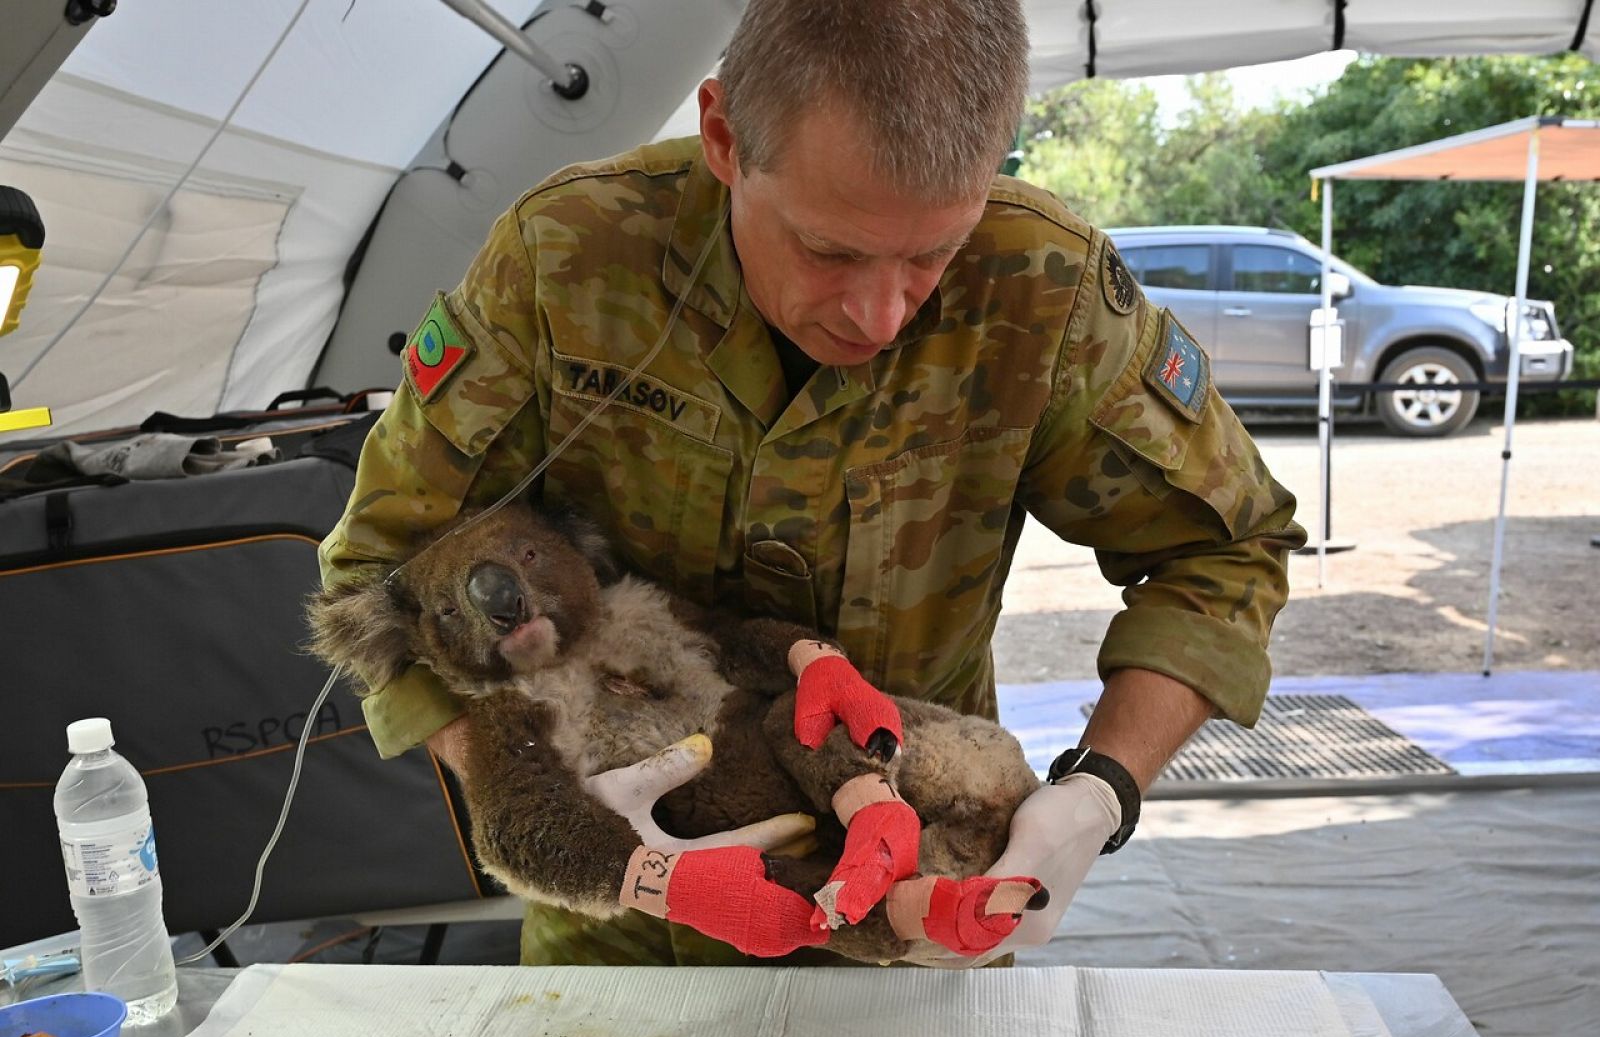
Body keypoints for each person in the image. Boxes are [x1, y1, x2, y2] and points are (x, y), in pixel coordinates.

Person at [319, 0, 1305, 967]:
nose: (877, 316)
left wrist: (1100, 789)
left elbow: (1224, 550)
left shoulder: (1040, 287)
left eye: (930, 256)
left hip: (919, 895)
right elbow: (378, 568)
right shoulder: (566, 260)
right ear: (721, 136)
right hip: (626, 951)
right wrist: (550, 798)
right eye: (828, 250)